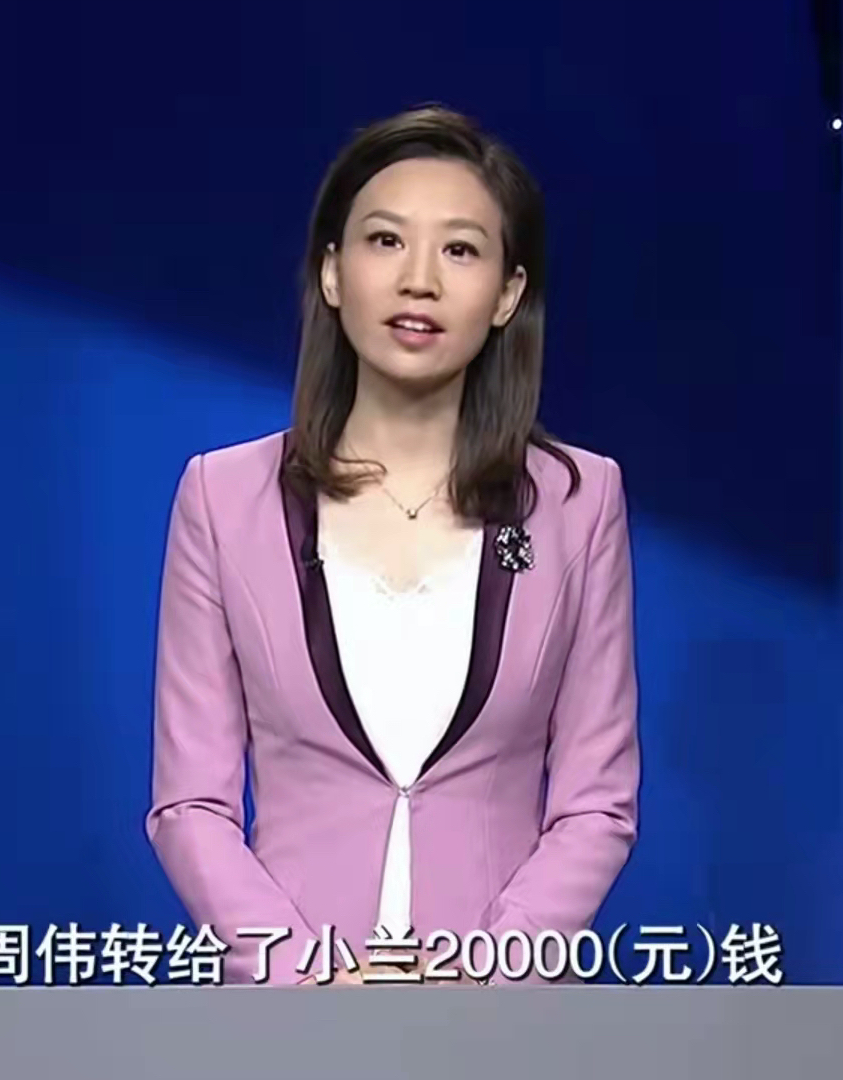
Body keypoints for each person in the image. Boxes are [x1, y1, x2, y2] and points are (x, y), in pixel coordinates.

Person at [145, 105, 639, 987]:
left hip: (503, 1013)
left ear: (507, 295)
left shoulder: (576, 501)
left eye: (459, 250)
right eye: (384, 241)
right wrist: (306, 974)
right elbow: (190, 804)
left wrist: (484, 973)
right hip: (288, 1012)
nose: (419, 280)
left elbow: (595, 804)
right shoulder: (222, 498)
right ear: (332, 272)